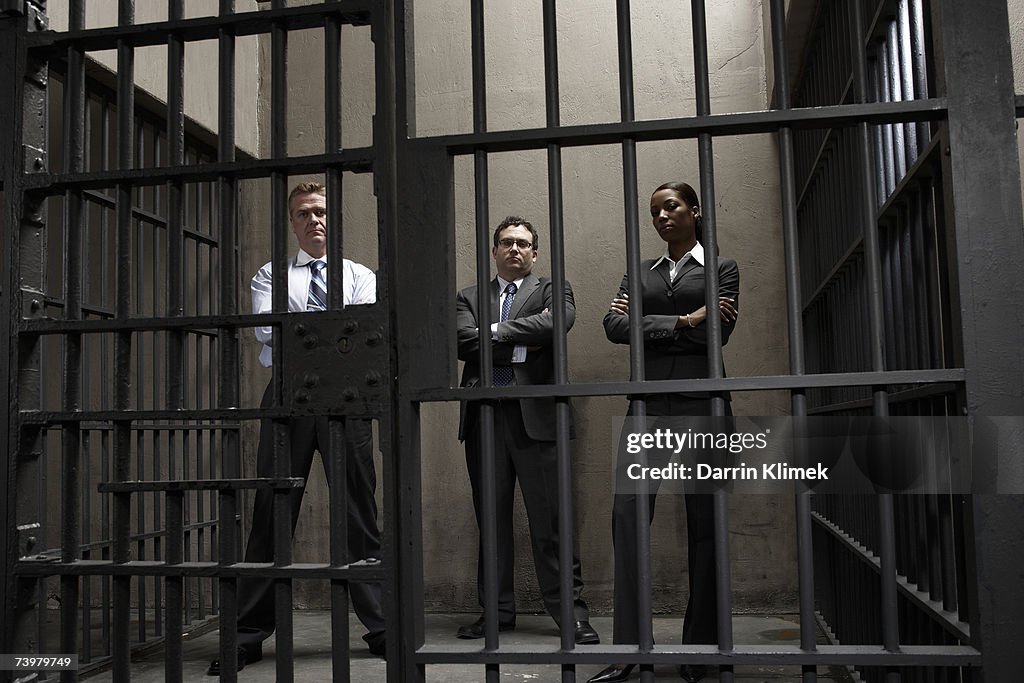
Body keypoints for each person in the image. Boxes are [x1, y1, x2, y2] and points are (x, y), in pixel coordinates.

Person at [207, 182, 385, 675]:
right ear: (292, 222)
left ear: (335, 218)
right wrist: (334, 333)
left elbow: (362, 333)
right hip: (288, 397)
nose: (315, 221)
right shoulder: (271, 274)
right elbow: (269, 331)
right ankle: (247, 635)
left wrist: (315, 334)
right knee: (272, 510)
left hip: (346, 399)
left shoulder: (359, 274)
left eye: (323, 212)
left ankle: (382, 627)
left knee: (359, 510)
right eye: (305, 213)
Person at [589, 182, 739, 683]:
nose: (662, 216)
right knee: (628, 519)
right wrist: (683, 319)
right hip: (648, 403)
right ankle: (629, 650)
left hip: (704, 403)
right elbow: (612, 325)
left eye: (671, 206)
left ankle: (705, 652)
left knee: (706, 525)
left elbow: (718, 329)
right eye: (654, 211)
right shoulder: (640, 272)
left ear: (694, 210)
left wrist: (649, 324)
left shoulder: (722, 268)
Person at [455, 216, 599, 645]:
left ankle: (571, 615)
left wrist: (494, 333)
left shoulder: (553, 289)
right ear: (494, 251)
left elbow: (558, 324)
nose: (514, 249)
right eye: (506, 242)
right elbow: (463, 342)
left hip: (536, 418)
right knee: (492, 522)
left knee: (551, 522)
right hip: (484, 418)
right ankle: (496, 614)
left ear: (534, 254)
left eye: (523, 244)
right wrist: (523, 345)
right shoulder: (468, 296)